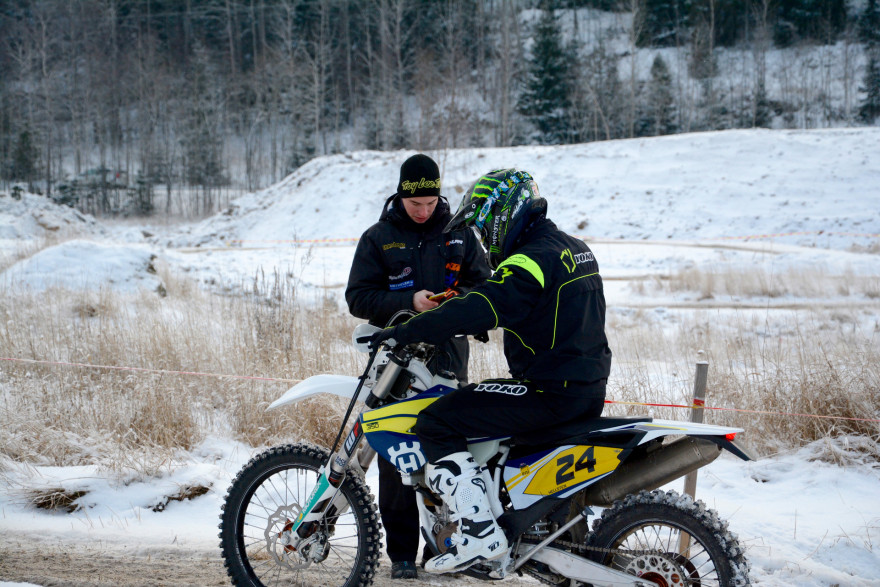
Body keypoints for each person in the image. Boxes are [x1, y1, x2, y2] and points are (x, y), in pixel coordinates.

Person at [369, 169, 612, 574]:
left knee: (436, 420)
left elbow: (486, 300)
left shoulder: (529, 260)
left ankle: (480, 532)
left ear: (504, 214)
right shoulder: (571, 247)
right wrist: (489, 316)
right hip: (584, 388)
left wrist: (406, 330)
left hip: (548, 393)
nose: (484, 239)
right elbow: (537, 308)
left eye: (485, 228)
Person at [345, 153, 490, 580]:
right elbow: (358, 297)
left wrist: (457, 304)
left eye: (430, 203)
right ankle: (402, 556)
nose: (424, 211)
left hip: (448, 359)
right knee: (397, 459)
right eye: (416, 205)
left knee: (446, 454)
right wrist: (408, 302)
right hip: (395, 365)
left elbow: (485, 287)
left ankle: (445, 548)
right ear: (402, 195)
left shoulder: (461, 233)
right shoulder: (379, 237)